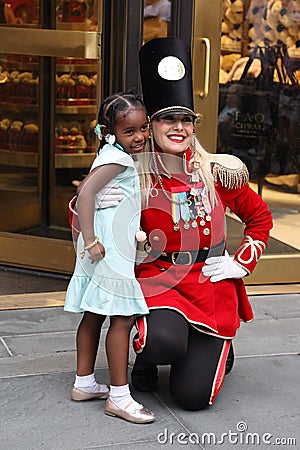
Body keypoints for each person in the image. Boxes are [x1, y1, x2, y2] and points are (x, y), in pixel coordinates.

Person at [128, 37, 273, 411]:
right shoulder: (132, 173)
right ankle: (151, 354)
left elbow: (260, 218)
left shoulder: (217, 172)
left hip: (210, 286)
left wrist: (241, 261)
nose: (178, 127)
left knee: (191, 399)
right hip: (160, 280)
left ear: (193, 125)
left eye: (185, 120)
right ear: (152, 125)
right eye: (167, 119)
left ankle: (215, 346)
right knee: (161, 342)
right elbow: (83, 216)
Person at [64, 92, 155, 424]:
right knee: (123, 317)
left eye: (143, 128)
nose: (141, 136)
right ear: (109, 131)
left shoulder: (110, 153)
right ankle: (119, 396)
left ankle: (84, 382)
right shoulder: (119, 159)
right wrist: (91, 242)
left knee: (94, 314)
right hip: (107, 250)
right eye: (130, 131)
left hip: (107, 246)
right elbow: (87, 193)